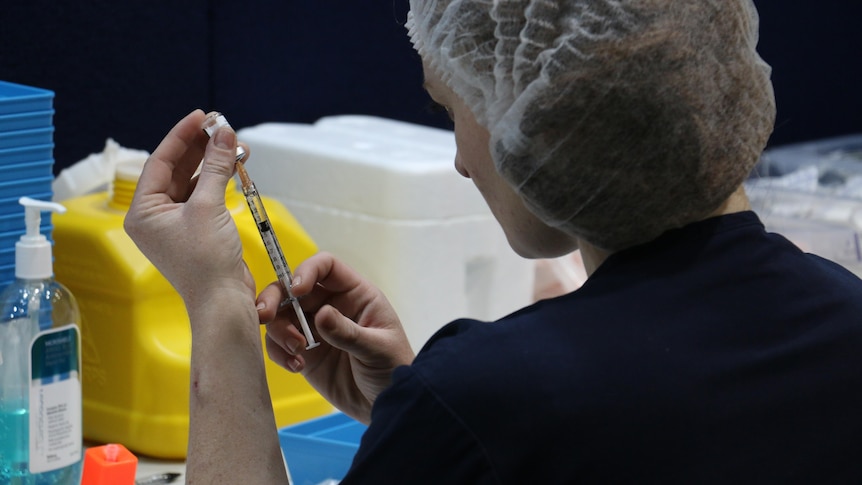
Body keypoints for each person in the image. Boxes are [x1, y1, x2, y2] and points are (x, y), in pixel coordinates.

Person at [124, 1, 862, 483]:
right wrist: (413, 412)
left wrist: (219, 301)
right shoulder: (845, 316)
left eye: (454, 108)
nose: (459, 158)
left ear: (551, 111)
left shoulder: (489, 400)